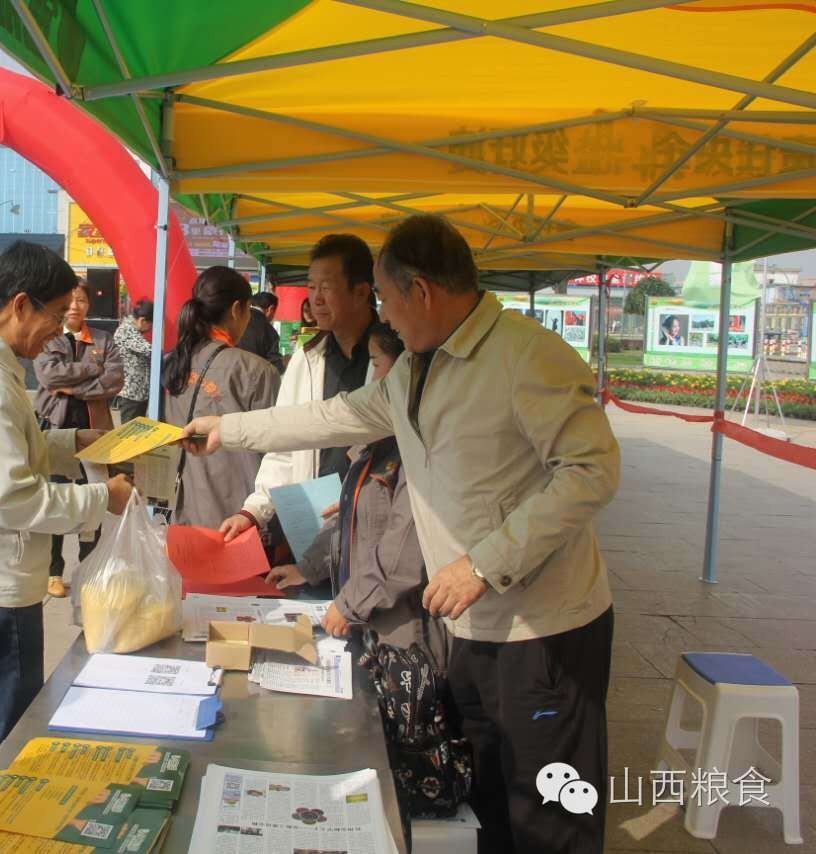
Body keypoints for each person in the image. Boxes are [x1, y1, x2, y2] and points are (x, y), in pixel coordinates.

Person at [183, 214, 620, 854]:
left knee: (551, 809)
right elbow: (335, 415)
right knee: (488, 798)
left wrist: (483, 563)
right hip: (467, 629)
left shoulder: (527, 356)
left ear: (422, 291)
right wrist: (230, 430)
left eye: (385, 298)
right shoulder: (418, 366)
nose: (382, 313)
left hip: (542, 630)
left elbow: (591, 472)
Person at [0, 241, 133, 838]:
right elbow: (13, 498)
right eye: (56, 314)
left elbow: (18, 452)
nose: (59, 330)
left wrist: (77, 444)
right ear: (20, 305)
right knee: (6, 734)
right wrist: (103, 498)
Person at [264, 323, 447, 666]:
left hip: (402, 638)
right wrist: (308, 568)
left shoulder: (416, 449)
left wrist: (351, 604)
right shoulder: (372, 444)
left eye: (376, 364)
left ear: (405, 368)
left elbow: (402, 554)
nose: (371, 378)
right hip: (368, 626)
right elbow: (350, 518)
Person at [219, 234, 378, 556]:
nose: (316, 299)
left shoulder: (395, 358)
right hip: (315, 527)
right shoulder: (307, 359)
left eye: (327, 287)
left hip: (375, 529)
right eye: (312, 286)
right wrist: (253, 511)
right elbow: (284, 447)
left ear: (361, 292)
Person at [160, 267, 280, 528]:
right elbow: (275, 453)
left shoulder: (174, 362)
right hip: (236, 518)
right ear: (237, 309)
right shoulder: (256, 371)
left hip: (181, 510)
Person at [33, 281, 124, 597]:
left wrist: (72, 387)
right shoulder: (48, 337)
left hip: (94, 433)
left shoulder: (103, 339)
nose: (75, 306)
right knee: (56, 498)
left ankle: (89, 569)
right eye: (70, 300)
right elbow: (48, 376)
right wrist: (91, 369)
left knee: (95, 499)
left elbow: (115, 380)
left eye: (82, 300)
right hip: (55, 430)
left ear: (88, 305)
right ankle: (53, 571)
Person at [114, 299, 154, 423]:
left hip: (137, 393)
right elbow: (149, 350)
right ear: (142, 320)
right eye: (151, 324)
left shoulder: (132, 329)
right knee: (130, 432)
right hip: (131, 395)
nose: (151, 329)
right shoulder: (127, 330)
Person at [236, 291, 285, 373]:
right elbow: (275, 367)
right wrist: (285, 363)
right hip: (254, 377)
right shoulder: (269, 331)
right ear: (271, 309)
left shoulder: (236, 319)